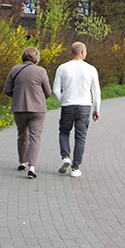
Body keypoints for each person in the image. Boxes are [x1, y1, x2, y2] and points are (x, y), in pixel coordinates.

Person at [53, 41, 101, 178]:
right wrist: (96, 109)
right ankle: (75, 168)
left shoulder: (62, 68)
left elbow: (55, 90)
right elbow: (96, 92)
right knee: (80, 137)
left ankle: (65, 157)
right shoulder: (91, 69)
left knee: (63, 132)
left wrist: (63, 101)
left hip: (68, 105)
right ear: (82, 52)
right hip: (84, 106)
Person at [3, 46, 52, 179]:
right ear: (37, 58)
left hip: (19, 108)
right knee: (34, 137)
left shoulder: (14, 70)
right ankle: (32, 167)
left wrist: (17, 95)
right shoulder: (41, 71)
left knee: (22, 135)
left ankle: (22, 163)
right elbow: (48, 92)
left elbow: (7, 90)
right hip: (37, 110)